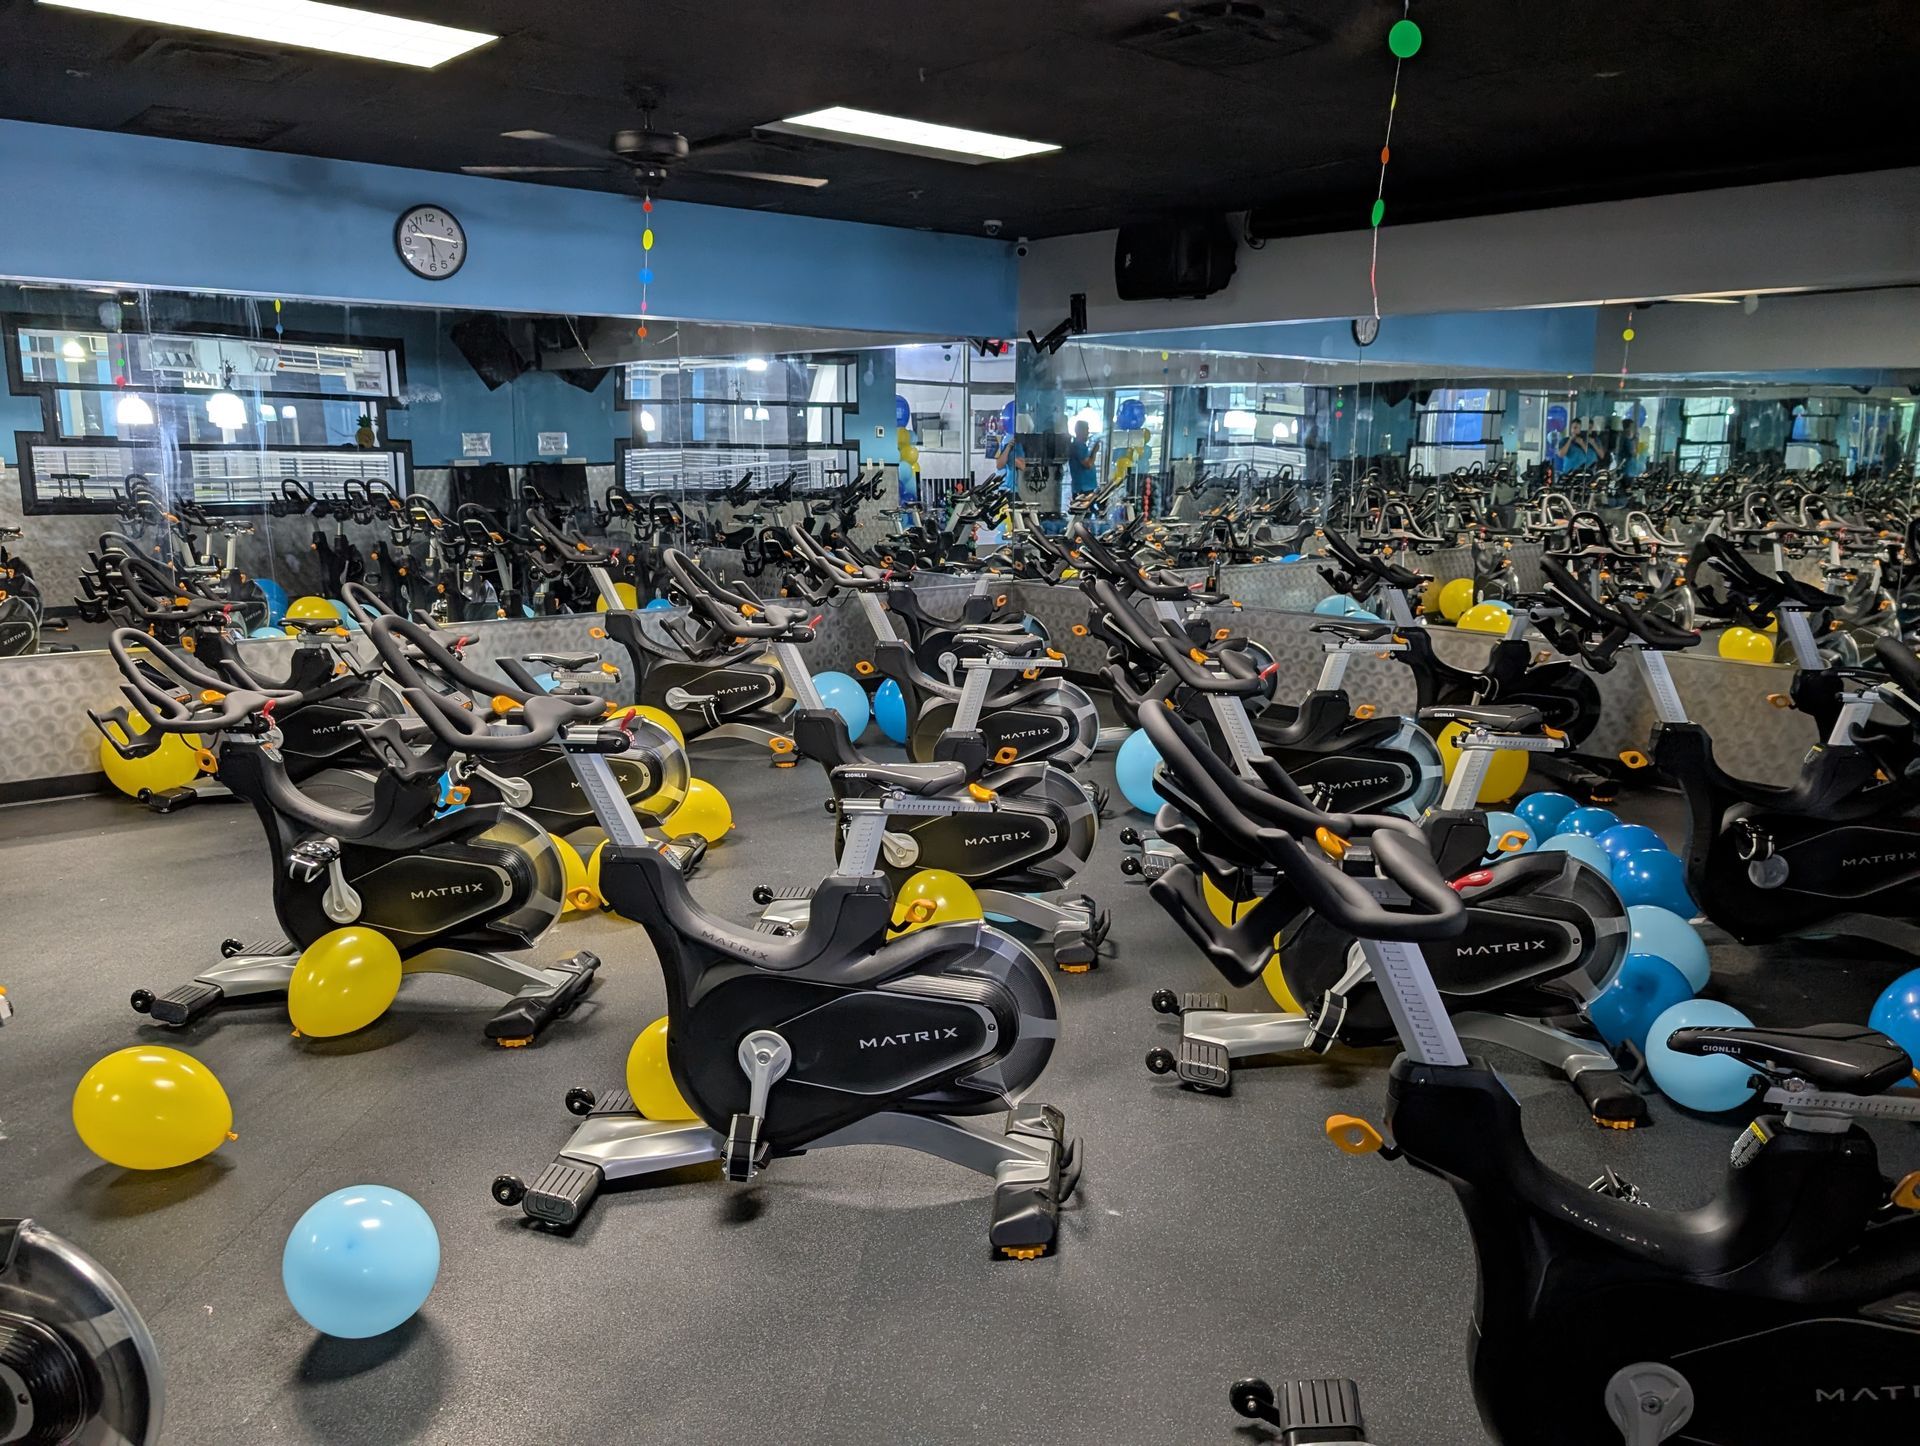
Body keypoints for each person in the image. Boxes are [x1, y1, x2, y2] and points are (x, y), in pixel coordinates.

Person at [1067, 419, 1102, 496]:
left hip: (1087, 487)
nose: (1088, 433)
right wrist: (1094, 451)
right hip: (1083, 489)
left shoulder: (1082, 446)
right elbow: (1088, 464)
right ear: (1080, 431)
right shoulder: (1078, 446)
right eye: (1086, 430)